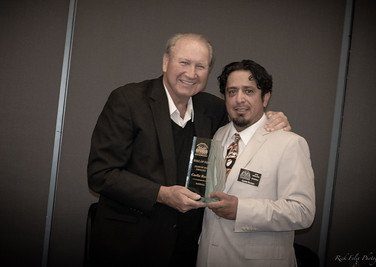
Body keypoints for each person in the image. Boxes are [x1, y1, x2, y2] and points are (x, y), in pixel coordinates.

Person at [87, 33, 291, 266]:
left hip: (186, 247)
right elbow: (100, 174)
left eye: (200, 66)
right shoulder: (128, 100)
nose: (191, 73)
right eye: (184, 62)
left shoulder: (213, 108)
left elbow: (247, 114)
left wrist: (271, 117)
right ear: (166, 62)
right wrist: (162, 194)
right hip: (128, 245)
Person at [197, 60, 315, 267]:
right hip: (208, 256)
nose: (239, 99)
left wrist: (241, 210)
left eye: (249, 91)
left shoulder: (290, 143)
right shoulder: (217, 135)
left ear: (266, 98)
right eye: (232, 91)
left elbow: (302, 211)